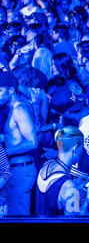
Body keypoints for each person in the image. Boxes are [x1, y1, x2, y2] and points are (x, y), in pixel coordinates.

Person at [0, 71, 37, 216]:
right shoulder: (11, 108)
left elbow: (33, 142)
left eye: (0, 90)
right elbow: (16, 136)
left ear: (11, 90)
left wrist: (4, 152)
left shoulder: (19, 109)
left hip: (21, 170)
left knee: (18, 218)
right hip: (15, 170)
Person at [36, 126, 84, 216]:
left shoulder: (45, 166)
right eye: (82, 148)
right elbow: (75, 221)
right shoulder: (70, 187)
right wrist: (86, 197)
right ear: (75, 148)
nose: (82, 152)